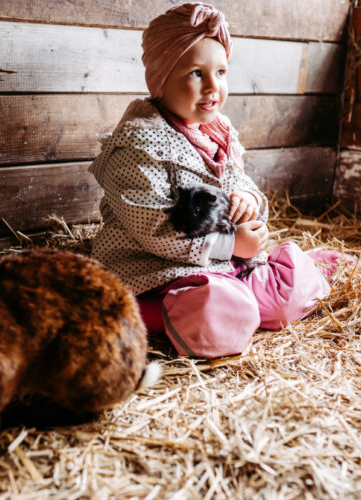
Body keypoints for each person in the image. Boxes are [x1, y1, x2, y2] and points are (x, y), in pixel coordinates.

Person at [88, 2, 331, 358]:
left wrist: (248, 199)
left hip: (223, 265)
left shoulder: (217, 132)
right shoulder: (138, 143)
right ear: (160, 79)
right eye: (196, 74)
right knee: (218, 311)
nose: (212, 86)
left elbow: (239, 180)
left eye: (220, 72)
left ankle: (237, 300)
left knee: (290, 293)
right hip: (156, 269)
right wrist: (230, 245)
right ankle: (139, 312)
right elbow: (154, 228)